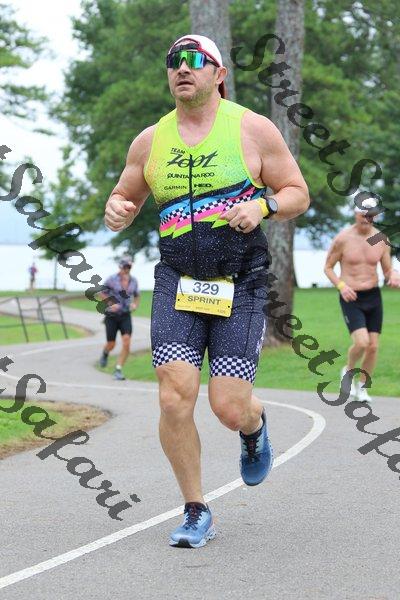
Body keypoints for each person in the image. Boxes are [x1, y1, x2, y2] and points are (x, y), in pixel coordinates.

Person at [104, 34, 309, 548]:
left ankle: (253, 425)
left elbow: (297, 193)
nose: (183, 67)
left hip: (241, 283)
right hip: (177, 282)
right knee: (174, 396)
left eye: (195, 60)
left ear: (219, 74)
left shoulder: (252, 129)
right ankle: (196, 509)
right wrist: (117, 210)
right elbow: (125, 194)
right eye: (174, 60)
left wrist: (263, 206)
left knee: (228, 407)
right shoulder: (150, 140)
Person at [324, 200, 400, 403]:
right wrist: (341, 286)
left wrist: (393, 274)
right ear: (355, 214)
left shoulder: (381, 239)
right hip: (351, 296)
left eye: (371, 215)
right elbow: (328, 267)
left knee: (373, 347)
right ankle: (348, 371)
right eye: (362, 215)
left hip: (373, 296)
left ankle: (363, 387)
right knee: (362, 342)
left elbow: (387, 270)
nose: (366, 219)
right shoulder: (343, 239)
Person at [99, 255, 140, 380]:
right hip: (111, 316)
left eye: (129, 267)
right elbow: (101, 292)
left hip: (125, 315)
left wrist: (135, 304)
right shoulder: (111, 279)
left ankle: (118, 369)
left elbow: (137, 296)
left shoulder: (134, 281)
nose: (127, 269)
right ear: (120, 266)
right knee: (111, 344)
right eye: (125, 266)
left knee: (126, 341)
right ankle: (105, 352)